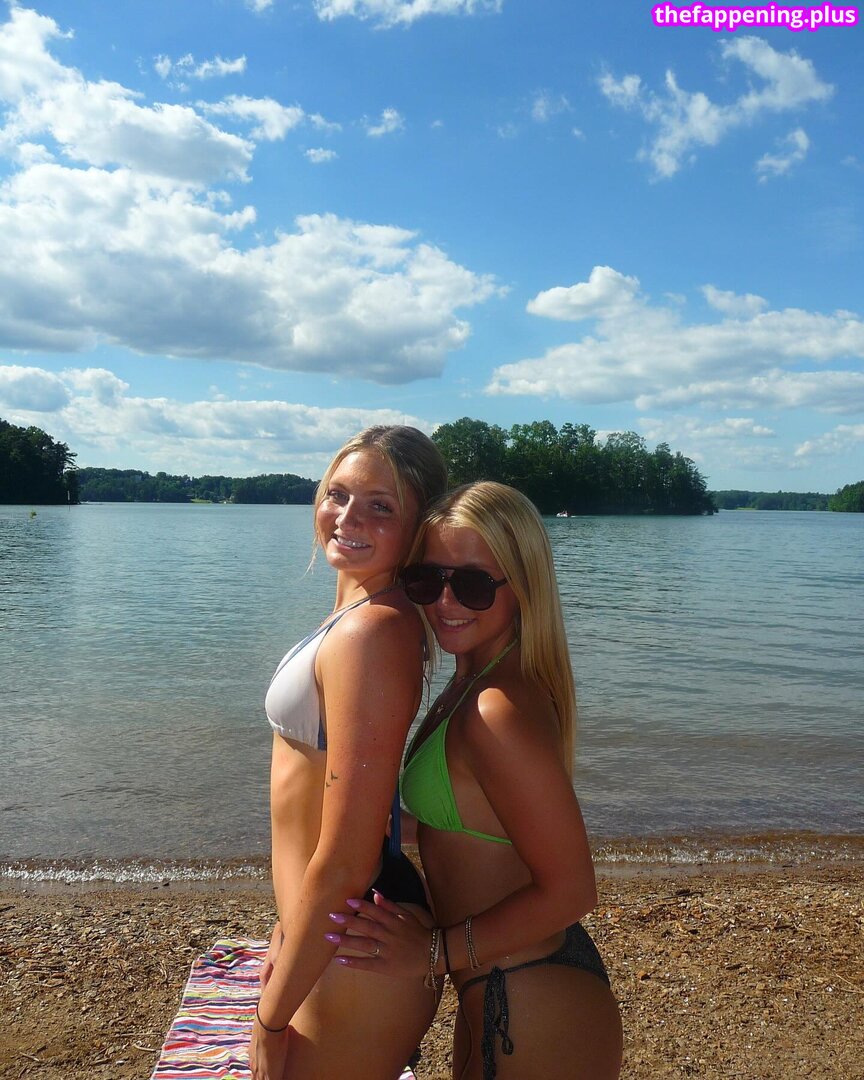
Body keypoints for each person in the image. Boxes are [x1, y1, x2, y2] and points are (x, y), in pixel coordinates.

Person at [328, 481, 623, 1080]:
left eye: (472, 584)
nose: (444, 601)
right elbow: (466, 820)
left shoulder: (494, 711)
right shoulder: (473, 683)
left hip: (531, 1001)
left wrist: (432, 954)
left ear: (524, 586)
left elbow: (572, 891)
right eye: (426, 578)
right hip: (502, 983)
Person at [251, 426, 447, 1080]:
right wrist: (288, 929)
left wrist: (269, 1019)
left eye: (379, 506)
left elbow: (346, 856)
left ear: (419, 528)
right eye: (337, 494)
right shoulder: (362, 615)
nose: (347, 517)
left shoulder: (373, 632)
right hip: (329, 928)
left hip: (351, 941)